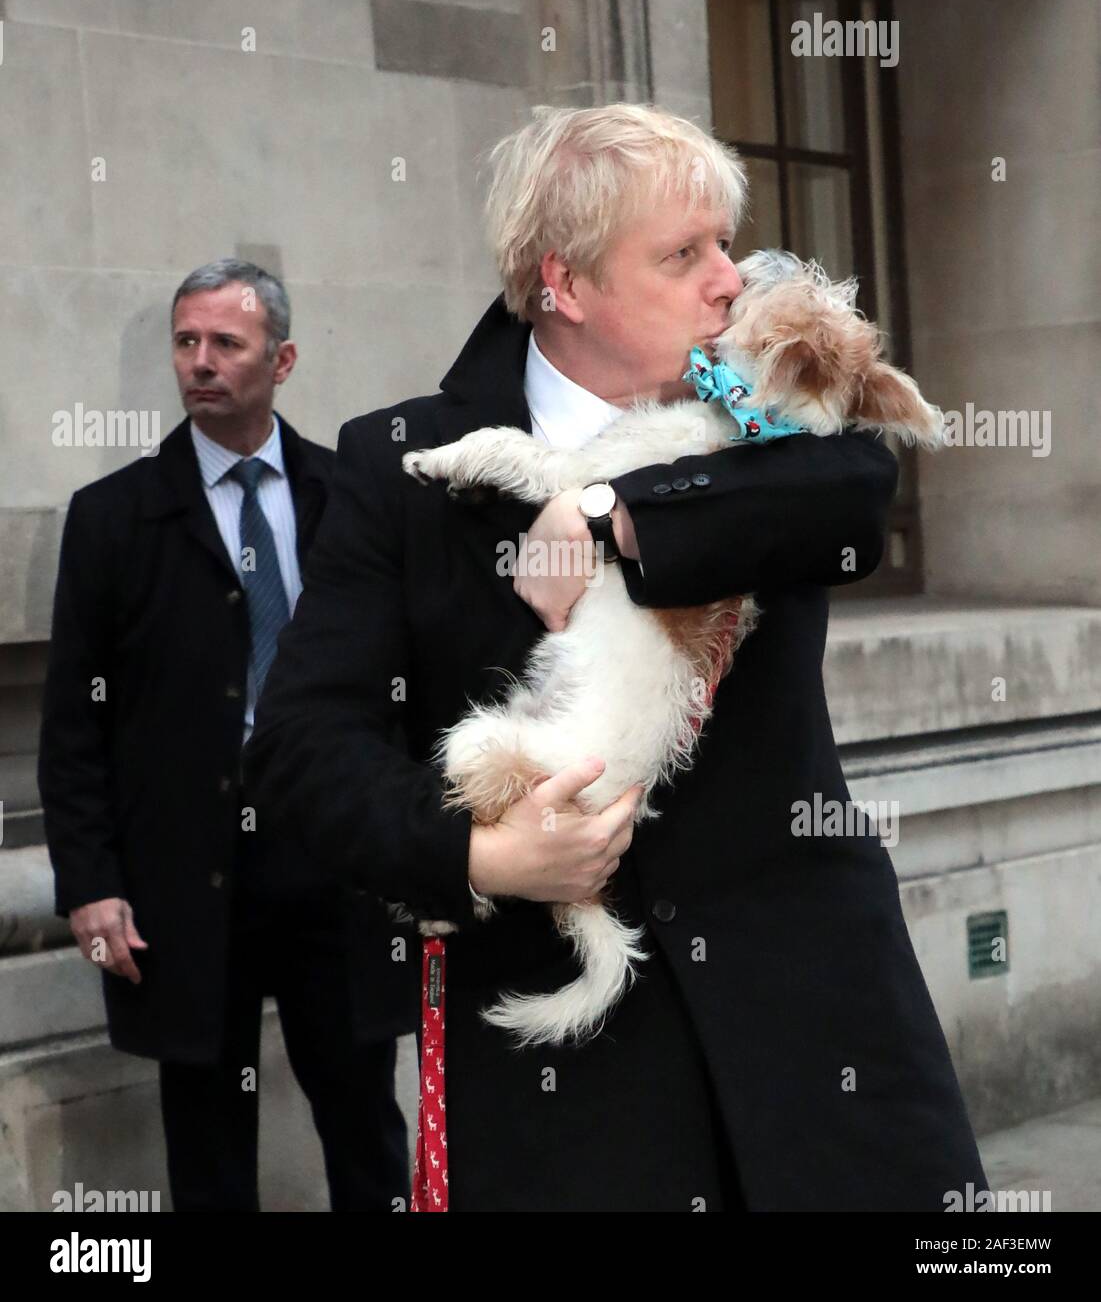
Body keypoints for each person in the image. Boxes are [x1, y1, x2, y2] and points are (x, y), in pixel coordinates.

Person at [243, 105, 989, 1211]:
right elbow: (300, 749)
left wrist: (606, 505)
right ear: (567, 284)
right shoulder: (400, 461)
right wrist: (482, 857)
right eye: (683, 254)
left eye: (726, 243)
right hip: (572, 1074)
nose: (729, 279)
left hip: (819, 1031)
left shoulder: (779, 421)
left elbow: (854, 493)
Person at [38, 260, 414, 1212]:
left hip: (331, 850)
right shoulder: (113, 517)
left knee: (362, 1115)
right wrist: (90, 886)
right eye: (185, 342)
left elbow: (404, 688)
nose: (200, 364)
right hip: (185, 872)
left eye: (227, 345)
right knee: (206, 1131)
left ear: (281, 360)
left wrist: (422, 838)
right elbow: (73, 723)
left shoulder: (348, 497)